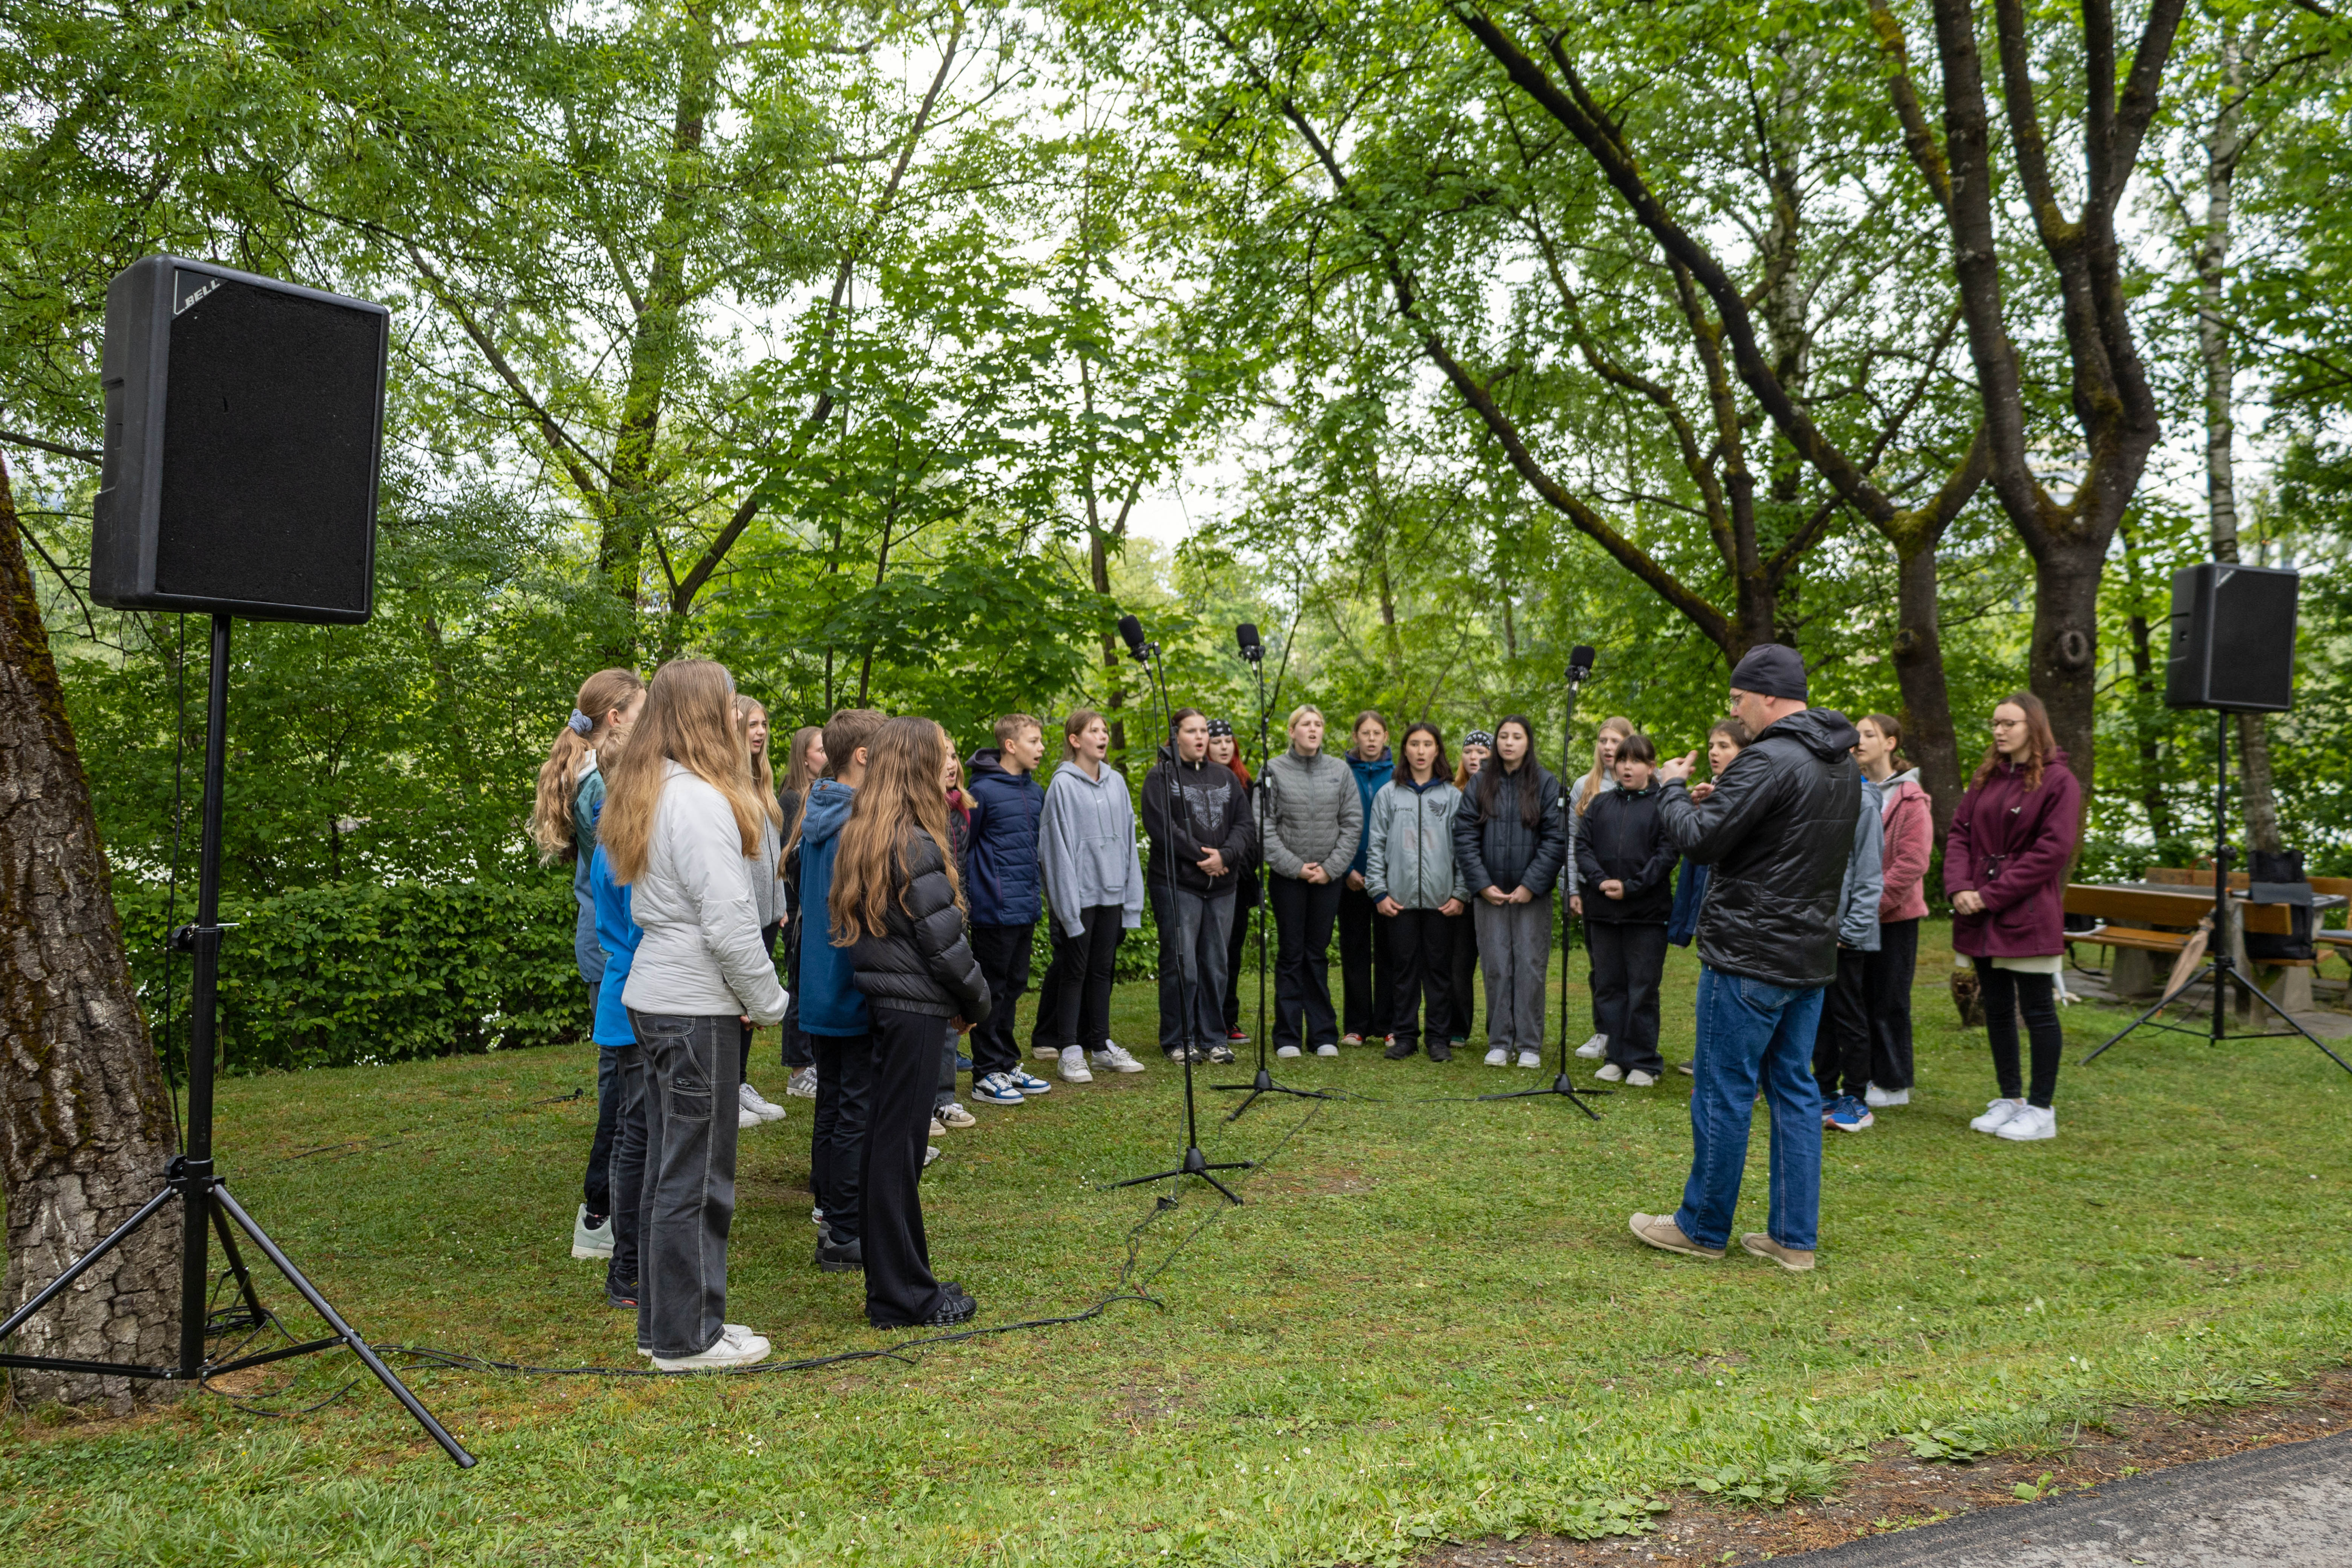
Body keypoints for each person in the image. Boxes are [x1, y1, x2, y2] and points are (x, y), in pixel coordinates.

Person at [1631, 644, 1860, 1274]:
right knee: (1792, 1089)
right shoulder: (1840, 764)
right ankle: (1794, 1238)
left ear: (1765, 696)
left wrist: (1673, 791)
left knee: (1724, 1090)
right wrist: (1721, 800)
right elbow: (1782, 841)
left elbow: (1701, 845)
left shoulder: (1769, 758)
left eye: (1737, 700)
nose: (1734, 712)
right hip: (1807, 957)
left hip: (1749, 956)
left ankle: (1701, 1228)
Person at [600, 658, 787, 1370]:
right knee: (696, 1176)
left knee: (666, 1173)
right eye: (732, 707)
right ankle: (686, 1340)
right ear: (707, 716)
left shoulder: (657, 788)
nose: (741, 719)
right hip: (691, 1004)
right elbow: (730, 922)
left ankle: (673, 1325)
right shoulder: (699, 800)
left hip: (660, 997)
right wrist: (768, 1002)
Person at [834, 717, 990, 1329]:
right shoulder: (914, 843)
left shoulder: (874, 831)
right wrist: (977, 1001)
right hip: (915, 1009)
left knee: (891, 1150)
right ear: (917, 765)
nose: (951, 766)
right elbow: (945, 942)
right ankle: (904, 1298)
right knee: (897, 1154)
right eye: (943, 756)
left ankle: (905, 1283)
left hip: (894, 1005)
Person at [533, 667, 645, 1264]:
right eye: (643, 706)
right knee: (621, 1089)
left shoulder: (593, 773)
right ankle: (600, 1211)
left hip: (603, 943)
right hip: (610, 948)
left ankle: (607, 1208)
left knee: (620, 1083)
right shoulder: (601, 784)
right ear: (617, 717)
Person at [1946, 692, 2082, 1144]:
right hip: (1980, 912)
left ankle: (2042, 1108)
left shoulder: (2059, 780)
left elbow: (2052, 851)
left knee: (2039, 1009)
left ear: (2034, 727)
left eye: (2010, 723)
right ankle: (2012, 1099)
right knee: (1999, 1008)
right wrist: (1961, 888)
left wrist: (1989, 895)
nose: (2000, 730)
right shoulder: (1986, 777)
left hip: (2026, 912)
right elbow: (1960, 833)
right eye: (1996, 723)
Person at [787, 707, 886, 1275]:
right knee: (854, 1109)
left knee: (833, 1105)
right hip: (847, 983)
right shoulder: (854, 821)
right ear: (865, 757)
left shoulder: (820, 808)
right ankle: (845, 1231)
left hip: (822, 985)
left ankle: (831, 1211)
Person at [1036, 709, 1147, 1083]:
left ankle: (1100, 1046)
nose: (1102, 736)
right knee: (1075, 969)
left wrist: (1132, 900)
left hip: (1112, 893)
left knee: (1103, 969)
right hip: (1077, 897)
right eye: (1093, 730)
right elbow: (1055, 850)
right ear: (1074, 739)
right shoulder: (1062, 786)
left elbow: (1129, 842)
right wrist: (1066, 907)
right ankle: (1069, 1050)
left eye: (1104, 731)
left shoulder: (1117, 783)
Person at [1453, 714, 1566, 1069]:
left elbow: (1556, 839)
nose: (1509, 742)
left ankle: (1529, 1044)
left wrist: (1531, 886)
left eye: (1517, 737)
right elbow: (1465, 836)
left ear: (1528, 742)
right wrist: (1482, 884)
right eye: (1503, 736)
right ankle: (1500, 1040)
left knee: (1530, 966)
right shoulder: (1479, 784)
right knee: (1497, 966)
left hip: (1531, 895)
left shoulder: (1546, 784)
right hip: (1490, 894)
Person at [1143, 708, 1254, 1064]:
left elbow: (1245, 824)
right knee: (1182, 964)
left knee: (1215, 964)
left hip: (1223, 886)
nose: (1201, 737)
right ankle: (1179, 1038)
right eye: (1192, 731)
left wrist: (1226, 856)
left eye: (1204, 731)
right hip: (1179, 885)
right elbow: (1162, 828)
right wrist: (1201, 856)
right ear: (1176, 737)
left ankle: (1213, 1037)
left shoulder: (1225, 776)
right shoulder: (1159, 777)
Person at [964, 715, 1058, 1108]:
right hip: (991, 911)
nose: (1041, 748)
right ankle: (986, 1072)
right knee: (993, 989)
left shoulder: (1035, 792)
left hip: (1025, 908)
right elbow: (965, 848)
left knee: (1015, 987)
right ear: (1010, 745)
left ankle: (1006, 1061)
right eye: (1034, 741)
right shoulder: (981, 791)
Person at [1260, 704, 1362, 1058]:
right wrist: (1295, 867)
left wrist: (1331, 869)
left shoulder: (1340, 771)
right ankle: (1287, 1036)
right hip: (1289, 878)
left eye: (1319, 724)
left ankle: (1322, 1035)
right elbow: (1265, 825)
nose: (1313, 729)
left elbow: (1351, 824)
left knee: (1316, 954)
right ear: (1292, 732)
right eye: (1306, 724)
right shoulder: (1272, 769)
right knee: (1291, 953)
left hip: (1327, 879)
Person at [1576, 733, 1677, 1086]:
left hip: (1646, 914)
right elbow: (1583, 847)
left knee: (1642, 988)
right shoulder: (1601, 804)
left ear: (1651, 767)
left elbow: (1667, 854)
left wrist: (1631, 887)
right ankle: (1616, 1057)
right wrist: (1601, 881)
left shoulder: (1664, 804)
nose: (1627, 767)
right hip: (1603, 912)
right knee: (1609, 986)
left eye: (1636, 761)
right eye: (1622, 760)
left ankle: (1644, 1061)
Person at [1364, 721, 1468, 1060]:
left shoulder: (1453, 796)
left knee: (1439, 971)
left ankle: (1438, 1039)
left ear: (1437, 749)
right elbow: (1376, 845)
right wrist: (1379, 892)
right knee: (1403, 970)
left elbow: (1464, 849)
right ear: (1404, 749)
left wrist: (1460, 894)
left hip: (1442, 902)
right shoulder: (1388, 794)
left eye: (1428, 744)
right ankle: (1405, 1036)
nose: (1421, 751)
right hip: (1400, 900)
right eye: (1414, 744)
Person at [1665, 718, 1750, 1076]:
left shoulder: (1749, 788)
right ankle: (1709, 1059)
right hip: (1711, 904)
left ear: (1745, 752)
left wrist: (1673, 789)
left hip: (1739, 913)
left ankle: (1733, 1068)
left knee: (1735, 994)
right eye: (1712, 745)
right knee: (1712, 987)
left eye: (1725, 746)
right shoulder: (1717, 788)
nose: (1715, 752)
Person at [1810, 750, 1886, 1132]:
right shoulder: (1817, 799)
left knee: (1848, 1015)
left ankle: (1856, 1097)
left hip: (1847, 937)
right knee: (1818, 1013)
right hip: (1814, 930)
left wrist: (1851, 931)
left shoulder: (1865, 804)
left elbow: (1871, 875)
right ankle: (1824, 1089)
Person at [1859, 714, 1932, 1109]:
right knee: (1863, 996)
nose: (1859, 741)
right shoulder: (1857, 789)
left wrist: (1872, 902)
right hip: (1860, 914)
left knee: (1889, 998)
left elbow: (1912, 862)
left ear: (1890, 742)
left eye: (1869, 734)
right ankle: (1870, 1073)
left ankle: (1894, 1081)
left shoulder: (1910, 797)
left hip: (1895, 917)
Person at [733, 695, 792, 1131]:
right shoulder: (727, 784)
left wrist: (782, 904)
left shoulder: (762, 781)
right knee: (735, 1005)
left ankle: (740, 1081)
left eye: (764, 724)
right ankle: (727, 1088)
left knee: (752, 1007)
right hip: (744, 916)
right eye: (752, 724)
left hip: (771, 914)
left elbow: (773, 857)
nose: (760, 731)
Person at [1568, 715, 1635, 1060]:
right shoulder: (1585, 786)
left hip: (1634, 894)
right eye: (1603, 740)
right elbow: (1572, 841)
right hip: (1592, 891)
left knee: (1632, 969)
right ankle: (1604, 1032)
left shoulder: (1644, 783)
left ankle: (1631, 1036)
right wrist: (1573, 890)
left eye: (1615, 741)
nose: (1608, 747)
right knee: (1602, 967)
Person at [1337, 711, 1396, 1047]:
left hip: (1388, 881)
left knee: (1389, 952)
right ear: (1355, 736)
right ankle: (1356, 1025)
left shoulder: (1398, 774)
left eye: (1377, 733)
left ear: (1386, 737)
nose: (1371, 739)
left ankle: (1388, 1024)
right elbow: (1332, 823)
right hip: (1351, 879)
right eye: (1365, 733)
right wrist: (1346, 870)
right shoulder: (1341, 773)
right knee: (1355, 950)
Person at [776, 725, 826, 1099]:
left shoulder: (820, 794)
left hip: (810, 905)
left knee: (810, 984)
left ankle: (811, 1061)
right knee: (798, 987)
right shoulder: (791, 799)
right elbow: (790, 860)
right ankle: (798, 1069)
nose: (826, 755)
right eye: (820, 749)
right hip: (795, 908)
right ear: (804, 755)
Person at [1209, 719, 1259, 1045]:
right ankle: (1206, 1019)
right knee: (1209, 953)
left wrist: (1235, 867)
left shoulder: (1246, 783)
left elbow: (1251, 836)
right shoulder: (1200, 782)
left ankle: (1228, 1019)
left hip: (1239, 882)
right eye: (1218, 741)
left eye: (1229, 740)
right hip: (1208, 880)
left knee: (1232, 953)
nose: (1225, 746)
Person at [1445, 730, 1493, 1050]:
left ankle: (1500, 1029)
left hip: (1493, 890)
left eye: (1482, 752)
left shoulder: (1501, 791)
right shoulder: (1450, 793)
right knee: (1458, 963)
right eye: (1469, 751)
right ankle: (1457, 1027)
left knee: (1496, 963)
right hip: (1458, 891)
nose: (1474, 757)